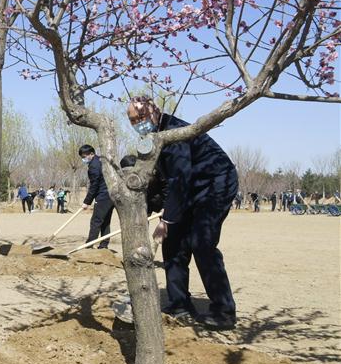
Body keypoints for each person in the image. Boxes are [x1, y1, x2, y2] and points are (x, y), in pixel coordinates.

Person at [127, 95, 239, 329]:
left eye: (141, 116)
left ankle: (224, 311)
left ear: (155, 111)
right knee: (173, 243)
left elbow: (180, 178)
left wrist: (166, 219)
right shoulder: (153, 138)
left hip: (215, 184)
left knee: (202, 243)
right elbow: (160, 181)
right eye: (133, 119)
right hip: (188, 188)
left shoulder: (175, 134)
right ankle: (179, 304)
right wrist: (142, 212)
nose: (138, 122)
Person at [79, 145, 114, 249]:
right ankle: (104, 245)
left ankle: (89, 245)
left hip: (103, 196)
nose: (83, 159)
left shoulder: (94, 166)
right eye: (82, 157)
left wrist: (87, 202)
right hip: (111, 195)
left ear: (92, 154)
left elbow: (94, 185)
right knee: (105, 221)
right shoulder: (101, 160)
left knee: (96, 221)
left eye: (84, 156)